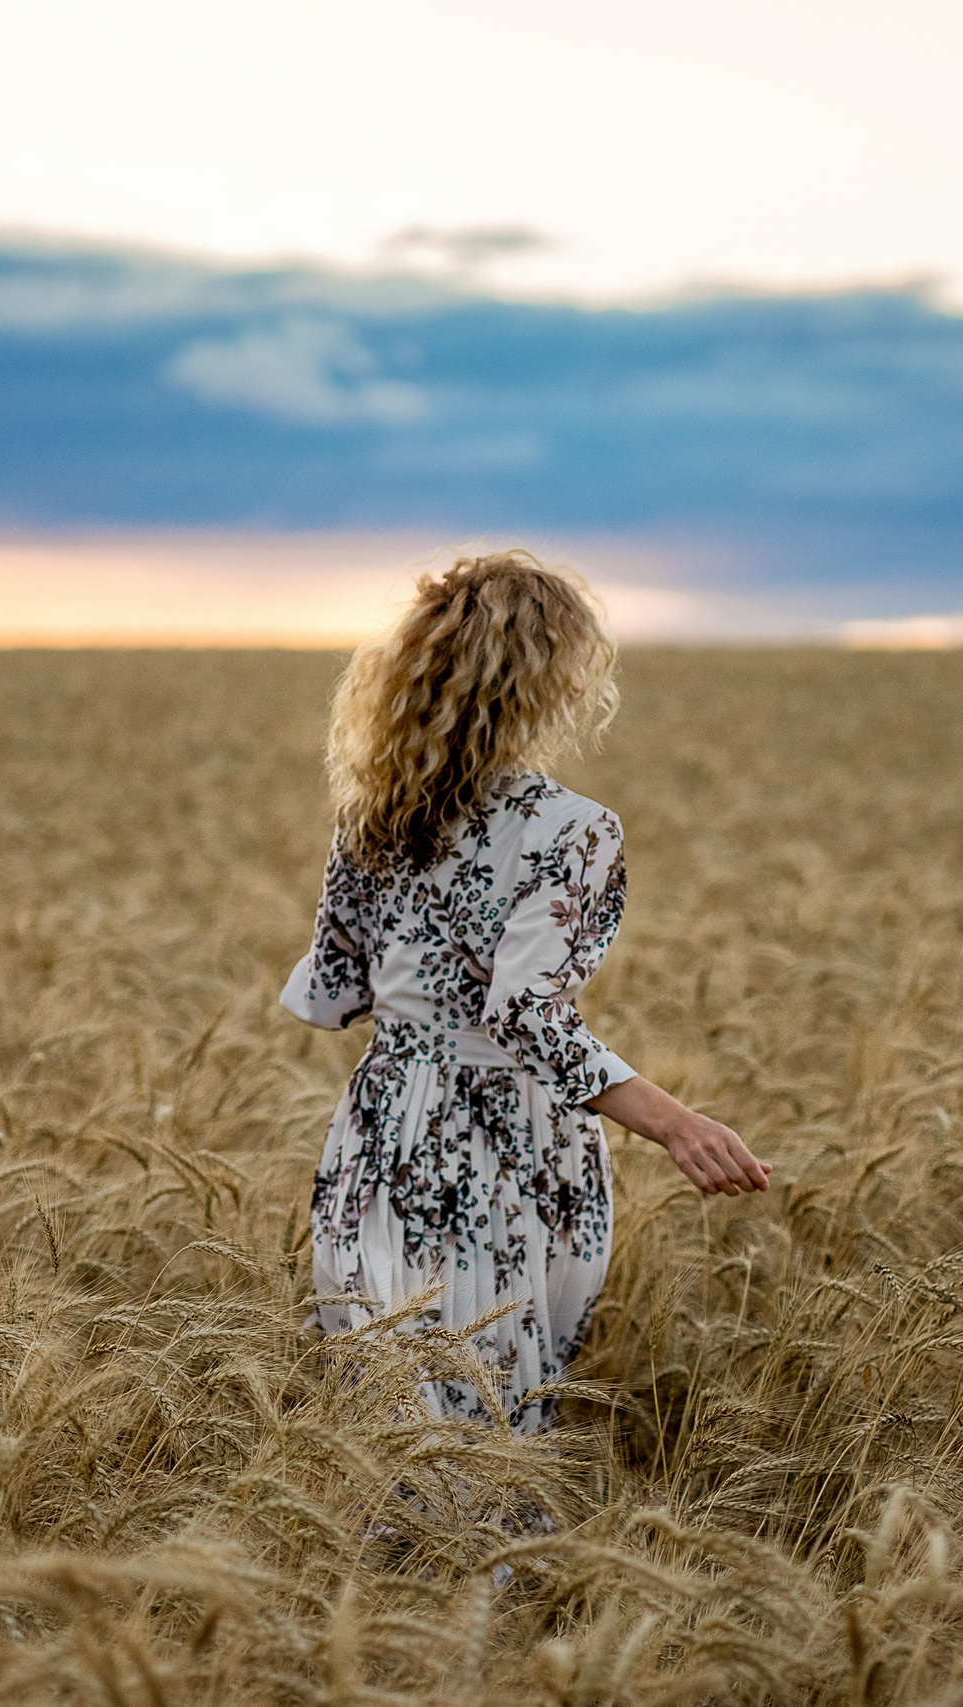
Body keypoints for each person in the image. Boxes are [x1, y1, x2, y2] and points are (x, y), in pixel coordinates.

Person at [282, 549, 770, 1434]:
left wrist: (421, 990)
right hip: (506, 1141)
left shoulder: (372, 819)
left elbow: (334, 992)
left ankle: (379, 1578)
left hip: (383, 1130)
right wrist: (678, 1123)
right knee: (495, 1408)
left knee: (390, 1411)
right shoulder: (576, 831)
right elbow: (522, 1017)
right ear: (546, 679)